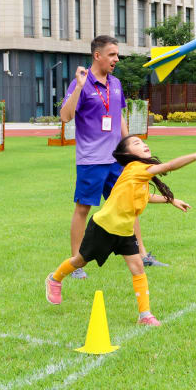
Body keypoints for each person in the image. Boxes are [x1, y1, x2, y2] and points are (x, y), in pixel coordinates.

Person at [45, 135, 196, 325]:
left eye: (143, 142)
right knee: (80, 261)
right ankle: (55, 279)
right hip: (103, 227)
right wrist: (194, 155)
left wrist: (171, 200)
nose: (144, 144)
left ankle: (145, 315)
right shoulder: (135, 168)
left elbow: (146, 196)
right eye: (137, 143)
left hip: (125, 231)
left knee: (138, 268)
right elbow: (168, 166)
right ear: (128, 154)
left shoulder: (140, 174)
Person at [60, 35, 164, 279]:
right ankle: (75, 264)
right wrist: (79, 86)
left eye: (117, 54)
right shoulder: (81, 82)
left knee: (129, 205)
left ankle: (142, 254)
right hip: (91, 160)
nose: (116, 59)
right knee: (83, 208)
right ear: (97, 56)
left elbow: (118, 119)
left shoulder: (115, 83)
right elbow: (65, 116)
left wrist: (131, 152)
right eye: (112, 55)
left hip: (117, 160)